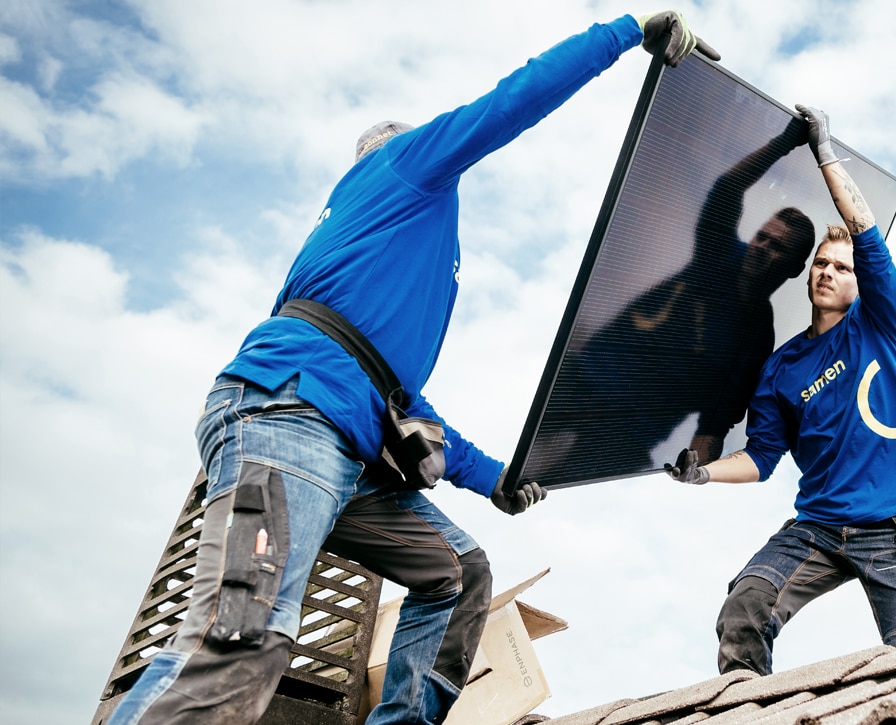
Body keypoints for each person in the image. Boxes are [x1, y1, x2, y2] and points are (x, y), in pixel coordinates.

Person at [110, 12, 718, 725]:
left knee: (457, 576)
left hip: (344, 445)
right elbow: (510, 101)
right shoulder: (398, 167)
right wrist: (627, 33)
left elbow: (399, 403)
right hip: (289, 421)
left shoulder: (380, 274)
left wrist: (495, 477)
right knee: (239, 639)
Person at [666, 105, 896, 676]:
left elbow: (864, 228)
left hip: (892, 528)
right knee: (742, 610)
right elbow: (761, 457)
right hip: (817, 528)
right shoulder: (780, 366)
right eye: (821, 263)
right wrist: (702, 471)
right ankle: (748, 713)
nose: (828, 272)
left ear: (858, 281)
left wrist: (823, 152)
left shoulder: (878, 324)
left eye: (841, 267)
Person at [548, 120, 815, 483]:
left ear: (795, 268)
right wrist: (783, 142)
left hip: (631, 428)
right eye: (762, 238)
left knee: (553, 484)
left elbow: (714, 425)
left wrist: (701, 471)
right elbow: (728, 188)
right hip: (587, 376)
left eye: (778, 247)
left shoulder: (754, 341)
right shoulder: (719, 253)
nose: (762, 248)